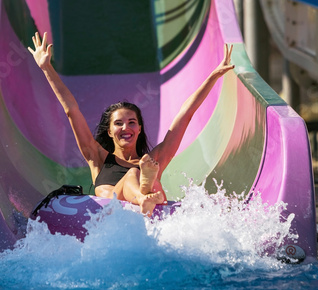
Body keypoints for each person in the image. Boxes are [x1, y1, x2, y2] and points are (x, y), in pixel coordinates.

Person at [28, 32, 234, 216]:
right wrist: (47, 68)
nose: (126, 128)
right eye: (119, 123)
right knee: (134, 175)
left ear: (140, 128)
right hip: (113, 212)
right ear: (109, 131)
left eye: (132, 122)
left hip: (145, 207)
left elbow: (186, 114)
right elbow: (71, 110)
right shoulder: (97, 157)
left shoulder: (152, 159)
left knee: (143, 175)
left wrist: (214, 76)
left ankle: (145, 193)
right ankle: (144, 194)